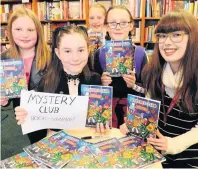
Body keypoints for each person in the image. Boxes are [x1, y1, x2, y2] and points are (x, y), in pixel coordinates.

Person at [120, 9, 198, 168]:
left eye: (176, 35)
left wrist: (173, 145)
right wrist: (135, 124)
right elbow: (149, 111)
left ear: (193, 38)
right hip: (155, 154)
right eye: (162, 36)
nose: (167, 43)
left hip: (188, 159)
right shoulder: (153, 71)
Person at [15, 26, 105, 141]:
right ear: (58, 53)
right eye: (67, 51)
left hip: (88, 143)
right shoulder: (46, 82)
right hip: (57, 145)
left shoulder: (95, 80)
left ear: (88, 50)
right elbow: (36, 132)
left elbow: (99, 117)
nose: (75, 58)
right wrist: (26, 116)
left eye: (81, 50)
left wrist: (101, 122)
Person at [1, 7, 51, 160]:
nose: (24, 34)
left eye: (30, 29)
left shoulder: (52, 59)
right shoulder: (3, 59)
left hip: (45, 128)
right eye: (18, 29)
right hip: (15, 130)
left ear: (38, 32)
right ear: (9, 32)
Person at [93, 5, 148, 128]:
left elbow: (148, 91)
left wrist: (133, 85)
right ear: (106, 26)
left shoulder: (140, 54)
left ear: (131, 25)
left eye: (123, 23)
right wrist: (102, 84)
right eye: (112, 23)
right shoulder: (99, 54)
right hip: (106, 113)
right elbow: (93, 91)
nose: (118, 27)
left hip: (133, 113)